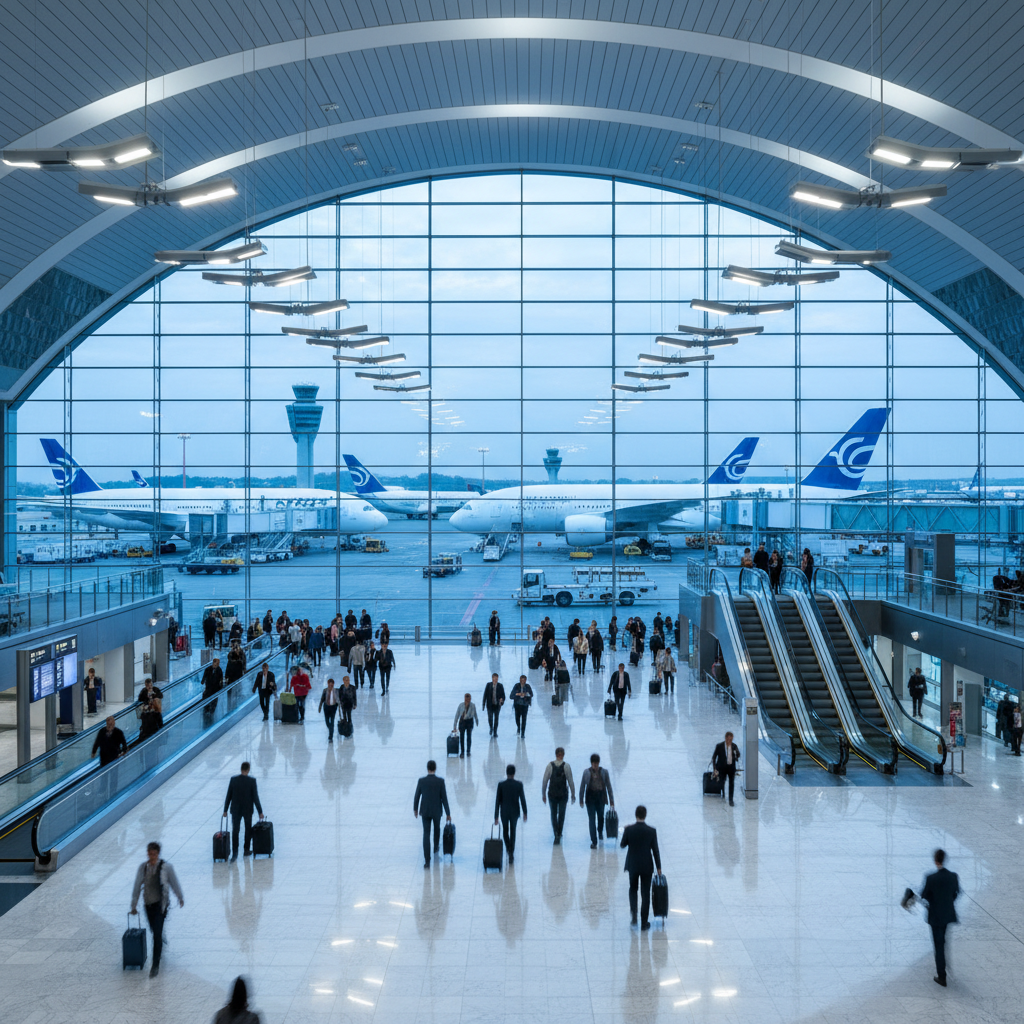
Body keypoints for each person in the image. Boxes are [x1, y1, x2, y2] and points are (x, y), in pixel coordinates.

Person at [130, 841, 184, 977]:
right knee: (154, 930)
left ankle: (155, 965)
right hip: (148, 905)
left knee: (156, 935)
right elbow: (137, 886)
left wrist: (180, 897)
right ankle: (160, 935)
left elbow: (174, 882)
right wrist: (134, 904)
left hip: (161, 906)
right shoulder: (143, 868)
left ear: (158, 854)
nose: (151, 856)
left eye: (154, 854)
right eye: (149, 853)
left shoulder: (166, 867)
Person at [918, 849, 960, 986]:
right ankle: (944, 967)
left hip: (935, 916)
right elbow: (956, 893)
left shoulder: (931, 878)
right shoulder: (953, 876)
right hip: (947, 914)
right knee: (943, 941)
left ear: (935, 861)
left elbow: (924, 895)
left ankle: (942, 975)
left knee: (938, 945)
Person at [620, 805, 662, 930]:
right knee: (645, 893)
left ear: (635, 815)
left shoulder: (629, 830)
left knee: (633, 889)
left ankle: (634, 915)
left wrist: (626, 831)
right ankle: (644, 922)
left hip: (633, 865)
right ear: (645, 815)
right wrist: (659, 867)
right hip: (646, 866)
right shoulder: (651, 831)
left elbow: (622, 845)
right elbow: (655, 850)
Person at [413, 759, 452, 868]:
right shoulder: (440, 781)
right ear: (435, 768)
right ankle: (435, 847)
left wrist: (415, 809)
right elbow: (444, 798)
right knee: (437, 828)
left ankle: (427, 860)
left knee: (426, 833)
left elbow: (417, 796)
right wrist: (448, 813)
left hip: (425, 810)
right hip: (436, 811)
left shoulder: (421, 781)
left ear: (427, 768)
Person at [223, 761, 264, 861]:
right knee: (248, 829)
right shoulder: (252, 781)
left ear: (241, 769)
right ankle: (246, 849)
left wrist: (225, 810)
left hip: (235, 810)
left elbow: (228, 796)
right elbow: (255, 798)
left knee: (235, 831)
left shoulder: (233, 780)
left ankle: (235, 853)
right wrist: (260, 812)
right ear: (248, 770)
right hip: (247, 810)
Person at [579, 753, 615, 848]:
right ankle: (594, 841)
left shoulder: (604, 772)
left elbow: (608, 786)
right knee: (591, 819)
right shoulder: (586, 772)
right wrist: (581, 799)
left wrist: (611, 799)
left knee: (600, 817)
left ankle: (600, 831)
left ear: (599, 763)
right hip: (590, 798)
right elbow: (582, 785)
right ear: (591, 763)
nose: (595, 766)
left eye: (597, 764)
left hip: (601, 797)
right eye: (594, 764)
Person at [494, 764, 527, 864]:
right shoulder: (519, 785)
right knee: (513, 831)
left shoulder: (501, 785)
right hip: (514, 812)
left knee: (505, 831)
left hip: (504, 812)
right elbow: (522, 799)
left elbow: (497, 801)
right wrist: (525, 812)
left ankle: (508, 848)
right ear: (514, 773)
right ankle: (511, 851)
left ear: (506, 772)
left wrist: (496, 816)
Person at [541, 747, 575, 845]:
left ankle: (555, 833)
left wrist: (543, 793)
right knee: (562, 814)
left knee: (553, 813)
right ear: (563, 755)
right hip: (563, 794)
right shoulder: (566, 766)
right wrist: (573, 794)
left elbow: (545, 781)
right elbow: (570, 781)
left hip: (552, 794)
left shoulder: (550, 766)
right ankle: (559, 832)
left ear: (556, 754)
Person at [713, 731, 741, 806]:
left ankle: (731, 800)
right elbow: (714, 757)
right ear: (725, 738)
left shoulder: (734, 746)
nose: (729, 741)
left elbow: (738, 754)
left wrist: (736, 754)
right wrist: (714, 769)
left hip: (731, 767)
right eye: (728, 739)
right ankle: (723, 793)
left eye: (731, 740)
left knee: (731, 783)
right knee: (722, 781)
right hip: (722, 768)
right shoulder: (719, 746)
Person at [453, 692, 479, 757]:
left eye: (468, 699)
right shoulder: (461, 705)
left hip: (469, 722)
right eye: (466, 699)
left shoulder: (472, 706)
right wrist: (455, 725)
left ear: (470, 699)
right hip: (462, 722)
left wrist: (476, 720)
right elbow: (457, 715)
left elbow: (474, 713)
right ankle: (462, 752)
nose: (467, 701)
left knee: (469, 737)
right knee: (462, 737)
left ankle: (468, 751)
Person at [482, 673, 505, 737]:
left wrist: (502, 700)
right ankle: (491, 727)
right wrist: (483, 704)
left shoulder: (500, 686)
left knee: (496, 718)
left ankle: (495, 731)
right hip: (490, 705)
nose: (495, 680)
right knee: (490, 718)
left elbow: (503, 695)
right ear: (492, 678)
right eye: (494, 678)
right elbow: (485, 695)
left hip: (497, 705)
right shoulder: (488, 685)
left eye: (496, 678)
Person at [318, 677, 340, 741]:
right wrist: (320, 707)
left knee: (332, 721)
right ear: (328, 684)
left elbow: (338, 699)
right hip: (326, 707)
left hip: (333, 707)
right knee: (327, 721)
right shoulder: (325, 690)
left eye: (332, 685)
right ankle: (330, 728)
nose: (331, 686)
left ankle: (331, 736)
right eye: (329, 685)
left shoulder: (336, 691)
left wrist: (340, 707)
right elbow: (322, 699)